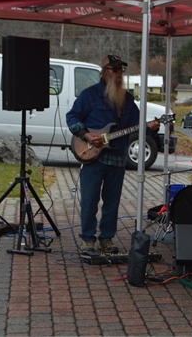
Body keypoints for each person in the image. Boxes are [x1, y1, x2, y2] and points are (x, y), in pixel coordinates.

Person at [66, 55, 160, 254]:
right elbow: (72, 116)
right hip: (92, 158)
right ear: (104, 71)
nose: (119, 74)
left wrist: (151, 128)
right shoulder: (89, 95)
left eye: (121, 71)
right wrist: (86, 134)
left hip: (117, 158)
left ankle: (106, 239)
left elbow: (137, 126)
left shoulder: (127, 100)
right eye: (115, 70)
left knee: (112, 203)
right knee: (90, 200)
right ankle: (88, 240)